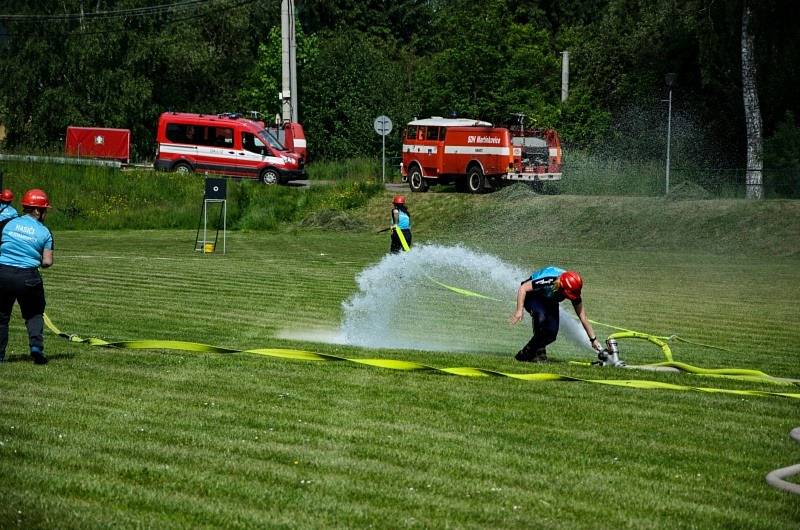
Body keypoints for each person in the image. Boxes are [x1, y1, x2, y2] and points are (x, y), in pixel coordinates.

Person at [0, 189, 54, 364]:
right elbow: (47, 262)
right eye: (44, 210)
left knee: (1, 316)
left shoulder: (7, 223)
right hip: (28, 276)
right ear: (37, 211)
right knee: (34, 314)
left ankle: (0, 355)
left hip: (2, 273)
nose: (45, 213)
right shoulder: (45, 232)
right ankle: (36, 348)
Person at [509, 266, 601, 363]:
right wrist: (519, 310)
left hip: (550, 300)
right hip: (532, 295)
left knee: (551, 335)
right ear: (561, 286)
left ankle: (532, 351)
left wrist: (593, 340)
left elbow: (583, 317)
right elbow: (523, 288)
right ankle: (530, 354)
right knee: (541, 317)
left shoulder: (574, 290)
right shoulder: (548, 280)